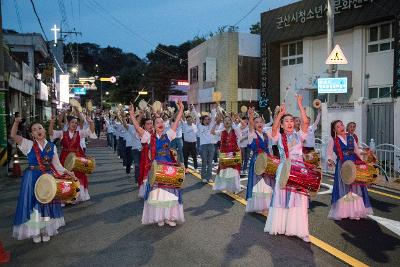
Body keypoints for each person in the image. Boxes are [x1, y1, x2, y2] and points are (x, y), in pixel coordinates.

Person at [10, 117, 74, 242]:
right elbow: (13, 135)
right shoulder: (28, 144)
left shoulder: (51, 146)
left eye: (39, 128)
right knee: (33, 204)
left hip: (47, 178)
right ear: (32, 134)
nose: (38, 130)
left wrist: (68, 172)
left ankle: (45, 230)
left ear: (44, 130)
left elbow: (57, 165)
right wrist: (16, 122)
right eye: (34, 130)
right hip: (32, 177)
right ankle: (35, 232)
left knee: (46, 203)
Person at [130, 100, 185, 226]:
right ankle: (159, 216)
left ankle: (169, 217)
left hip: (169, 169)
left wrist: (181, 109)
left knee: (169, 193)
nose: (160, 124)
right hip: (155, 170)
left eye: (162, 122)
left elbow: (176, 122)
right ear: (154, 126)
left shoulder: (169, 135)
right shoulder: (149, 137)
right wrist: (132, 115)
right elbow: (138, 128)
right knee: (158, 193)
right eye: (157, 122)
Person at [264, 95, 311, 242]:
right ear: (283, 125)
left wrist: (299, 104)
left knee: (299, 199)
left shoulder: (300, 135)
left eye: (292, 121)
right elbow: (273, 129)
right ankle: (280, 226)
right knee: (281, 197)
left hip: (298, 169)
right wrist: (280, 114)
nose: (290, 123)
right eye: (287, 121)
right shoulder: (278, 136)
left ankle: (300, 230)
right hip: (284, 168)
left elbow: (305, 121)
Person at [326, 120, 373, 220]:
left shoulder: (351, 137)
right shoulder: (333, 140)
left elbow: (357, 151)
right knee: (344, 188)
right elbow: (329, 154)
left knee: (356, 187)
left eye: (341, 125)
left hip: (354, 163)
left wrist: (365, 154)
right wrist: (330, 160)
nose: (341, 127)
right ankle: (344, 211)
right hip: (342, 165)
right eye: (338, 126)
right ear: (334, 130)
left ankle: (356, 211)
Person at [49, 115, 95, 202]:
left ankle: (77, 196)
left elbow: (90, 131)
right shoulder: (62, 133)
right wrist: (51, 123)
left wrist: (91, 122)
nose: (74, 124)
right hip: (64, 158)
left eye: (76, 123)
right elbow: (51, 133)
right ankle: (66, 196)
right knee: (65, 175)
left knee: (78, 175)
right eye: (72, 122)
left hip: (77, 158)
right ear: (68, 123)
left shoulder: (79, 133)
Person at [245, 108, 275, 213]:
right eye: (256, 122)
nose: (259, 124)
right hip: (257, 161)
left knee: (266, 182)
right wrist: (251, 116)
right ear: (253, 124)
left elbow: (270, 148)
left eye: (261, 122)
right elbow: (250, 128)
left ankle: (266, 204)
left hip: (266, 161)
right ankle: (257, 205)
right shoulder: (252, 134)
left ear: (263, 123)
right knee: (257, 182)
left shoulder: (266, 135)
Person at [211, 115, 242, 193]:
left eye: (229, 120)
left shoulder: (235, 130)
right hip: (224, 153)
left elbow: (240, 135)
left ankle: (236, 188)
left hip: (234, 153)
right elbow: (212, 132)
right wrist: (215, 123)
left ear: (231, 122)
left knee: (235, 171)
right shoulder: (221, 131)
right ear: (223, 123)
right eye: (225, 120)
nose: (227, 122)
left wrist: (234, 123)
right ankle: (222, 186)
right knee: (223, 171)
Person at [194, 109, 215, 183]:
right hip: (203, 146)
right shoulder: (200, 126)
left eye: (208, 119)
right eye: (205, 119)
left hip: (211, 146)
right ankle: (203, 177)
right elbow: (197, 117)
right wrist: (194, 109)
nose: (207, 121)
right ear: (202, 120)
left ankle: (209, 177)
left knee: (210, 162)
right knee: (204, 162)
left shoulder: (211, 125)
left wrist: (215, 108)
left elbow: (213, 115)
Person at [138, 117, 154, 198]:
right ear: (144, 126)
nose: (150, 125)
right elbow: (137, 126)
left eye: (151, 123)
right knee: (146, 174)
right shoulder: (143, 133)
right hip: (146, 158)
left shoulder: (155, 133)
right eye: (148, 124)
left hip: (154, 157)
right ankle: (146, 192)